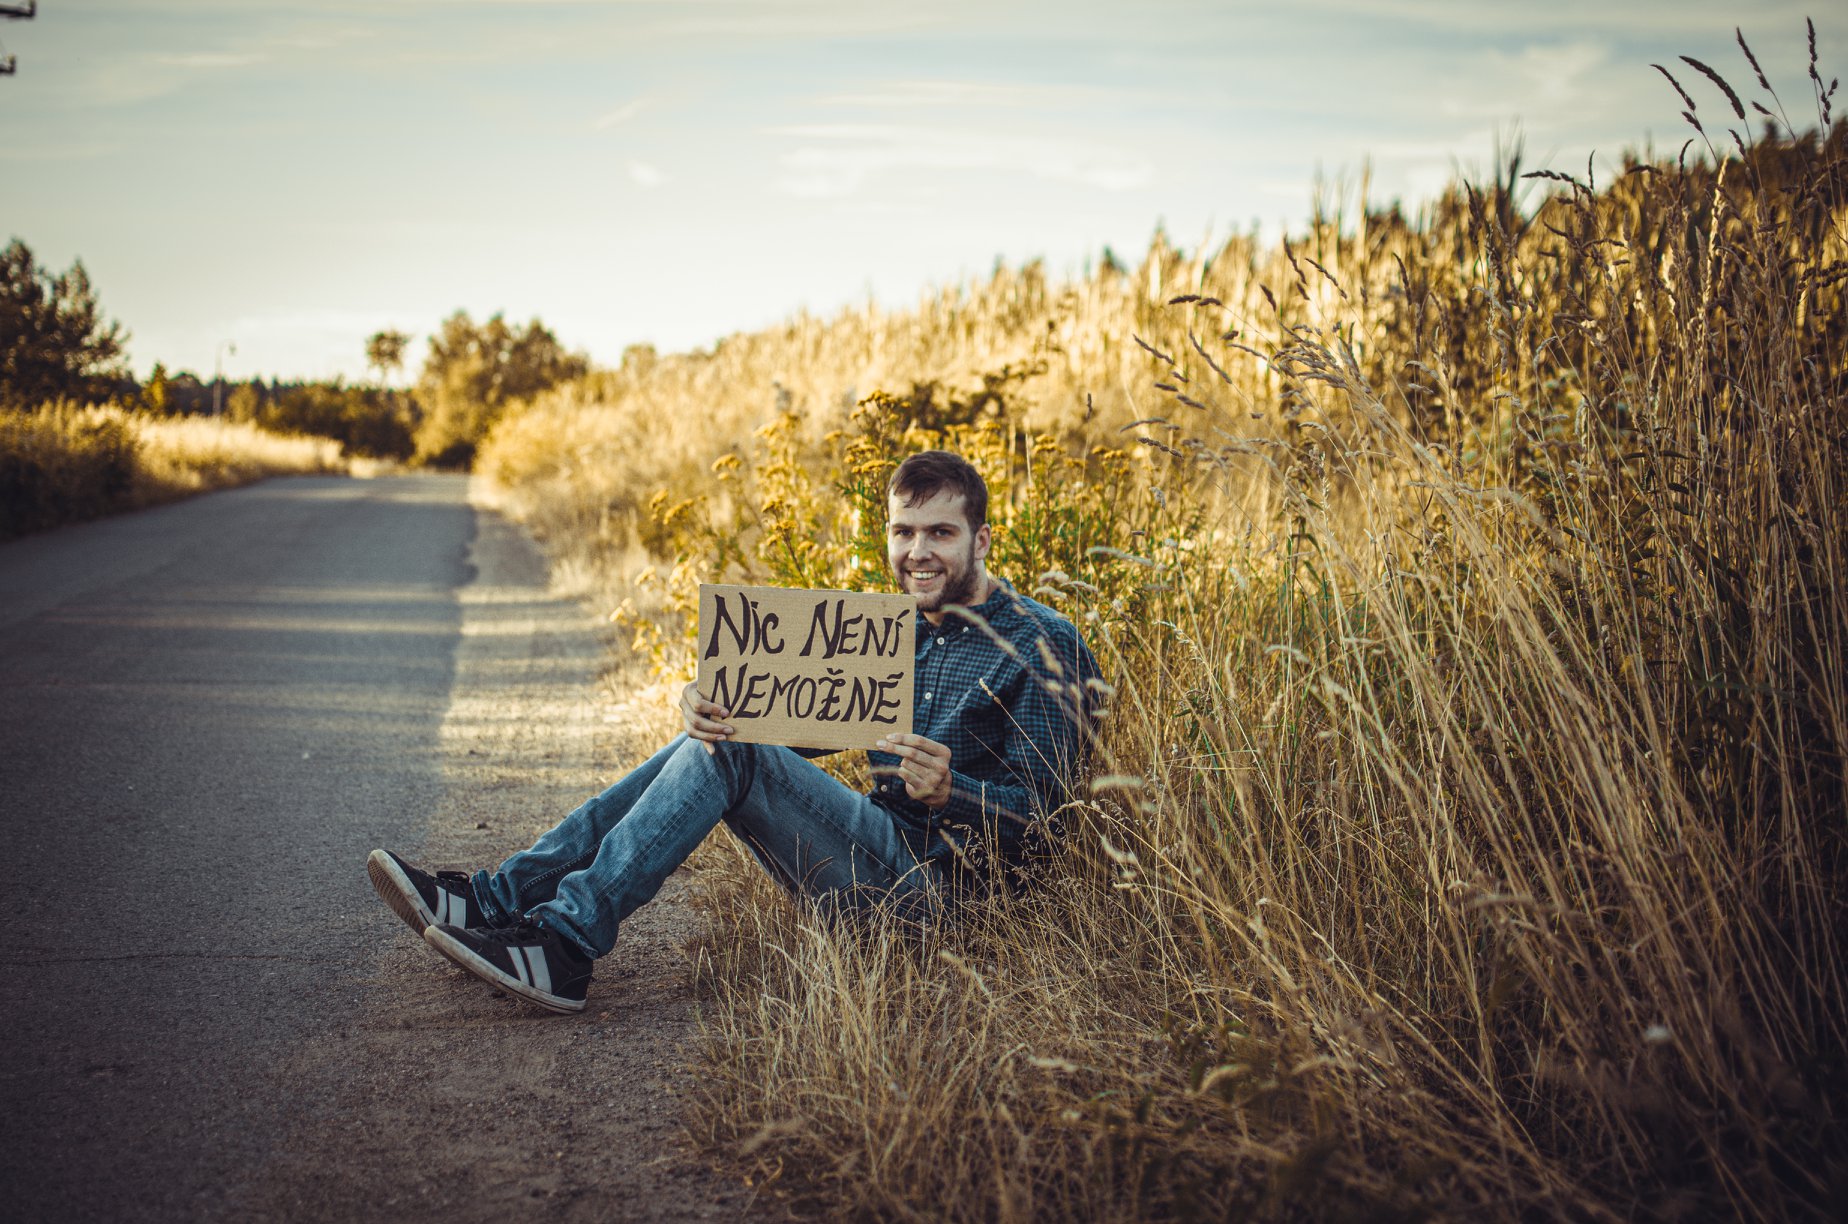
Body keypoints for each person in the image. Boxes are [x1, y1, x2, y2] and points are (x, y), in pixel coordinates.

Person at [368, 449, 1102, 1013]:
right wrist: (717, 709)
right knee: (728, 741)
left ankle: (562, 944)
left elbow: (1053, 820)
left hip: (947, 903)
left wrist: (954, 793)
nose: (917, 552)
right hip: (868, 856)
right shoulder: (893, 630)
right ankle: (501, 899)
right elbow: (787, 730)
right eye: (903, 532)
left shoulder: (1041, 645)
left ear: (982, 541)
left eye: (941, 533)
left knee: (737, 753)